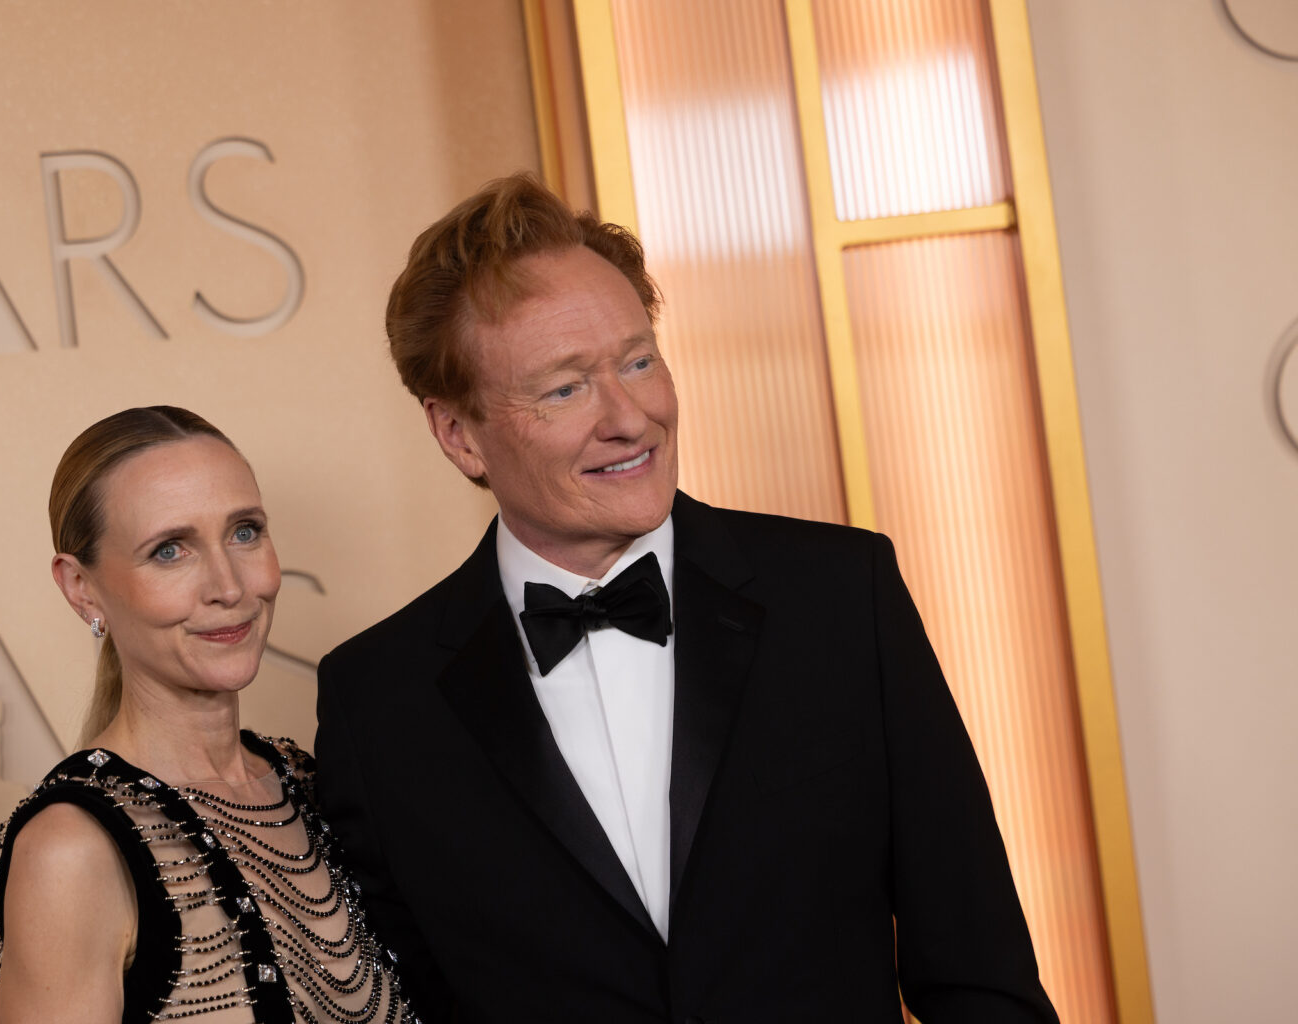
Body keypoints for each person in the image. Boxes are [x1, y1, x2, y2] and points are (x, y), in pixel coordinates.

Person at [315, 175, 1060, 1023]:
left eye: (638, 361)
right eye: (565, 388)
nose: (631, 418)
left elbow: (981, 971)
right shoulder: (378, 701)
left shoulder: (842, 599)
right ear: (458, 434)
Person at [0, 406, 415, 1024]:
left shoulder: (314, 784)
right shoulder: (73, 850)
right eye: (169, 551)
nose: (229, 586)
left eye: (244, 532)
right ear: (81, 587)